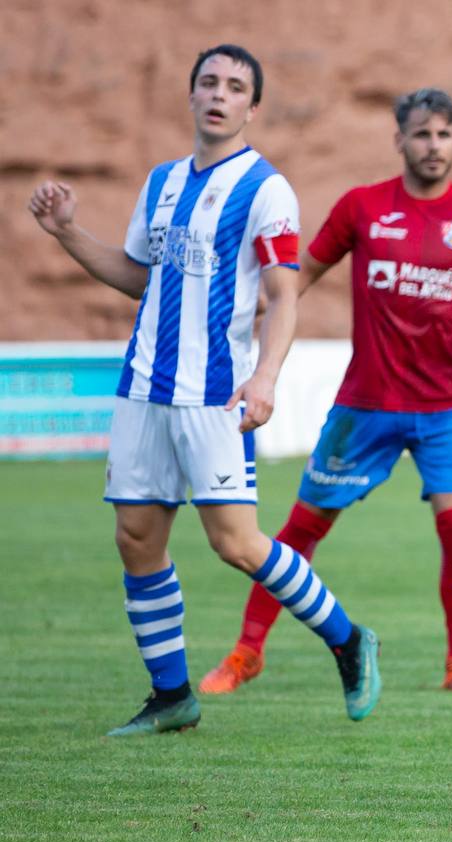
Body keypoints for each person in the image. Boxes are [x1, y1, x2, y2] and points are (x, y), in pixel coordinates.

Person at [26, 44, 381, 735]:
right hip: (142, 389)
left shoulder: (266, 189)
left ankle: (348, 638)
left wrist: (265, 377)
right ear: (190, 96)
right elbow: (140, 277)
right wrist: (67, 232)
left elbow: (283, 296)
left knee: (237, 544)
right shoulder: (160, 182)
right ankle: (172, 696)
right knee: (135, 538)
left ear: (252, 106)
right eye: (209, 82)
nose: (220, 94)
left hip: (214, 393)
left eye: (236, 86)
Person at [200, 88, 452, 696]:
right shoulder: (362, 208)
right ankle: (246, 653)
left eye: (445, 134)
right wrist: (255, 313)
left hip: (445, 407)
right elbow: (299, 278)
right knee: (300, 528)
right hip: (365, 406)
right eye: (422, 134)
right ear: (398, 139)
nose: (434, 146)